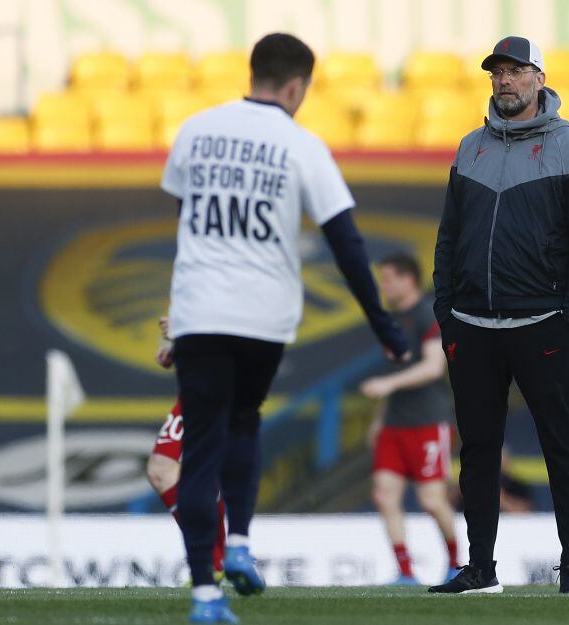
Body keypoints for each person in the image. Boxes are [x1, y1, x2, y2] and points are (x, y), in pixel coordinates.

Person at [161, 33, 409, 623]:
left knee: (199, 450)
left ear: (254, 74)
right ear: (297, 86)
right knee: (244, 422)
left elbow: (183, 214)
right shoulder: (302, 146)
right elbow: (345, 242)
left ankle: (204, 593)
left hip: (199, 310)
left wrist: (185, 303)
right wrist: (382, 324)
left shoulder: (195, 130)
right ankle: (241, 544)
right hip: (263, 316)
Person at [428, 36, 569, 595]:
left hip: (542, 322)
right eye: (496, 73)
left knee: (561, 445)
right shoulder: (470, 147)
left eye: (514, 71)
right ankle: (480, 569)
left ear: (538, 79)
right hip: (473, 325)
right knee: (478, 451)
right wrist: (446, 310)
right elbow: (449, 235)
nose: (503, 81)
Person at [358, 252, 459, 586]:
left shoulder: (426, 313)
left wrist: (387, 385)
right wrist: (379, 418)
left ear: (408, 279)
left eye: (388, 278)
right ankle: (404, 571)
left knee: (432, 500)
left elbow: (433, 366)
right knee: (385, 495)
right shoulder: (392, 319)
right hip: (394, 422)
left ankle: (458, 563)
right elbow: (396, 370)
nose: (384, 285)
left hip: (427, 421)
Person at [147, 317, 247, 592]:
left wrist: (185, 329)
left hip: (219, 383)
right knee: (185, 470)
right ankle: (216, 561)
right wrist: (175, 345)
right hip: (198, 385)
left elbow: (239, 331)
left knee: (165, 468)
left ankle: (214, 561)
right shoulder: (191, 283)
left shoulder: (223, 282)